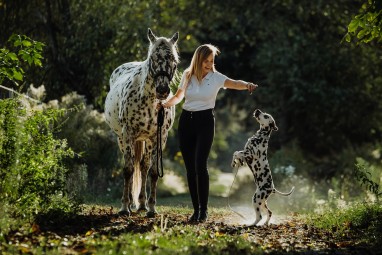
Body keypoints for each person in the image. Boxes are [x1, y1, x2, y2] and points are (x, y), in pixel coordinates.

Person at [159, 44, 258, 222]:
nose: (210, 64)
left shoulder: (217, 78)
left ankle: (204, 211)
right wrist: (165, 104)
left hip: (205, 122)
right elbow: (179, 96)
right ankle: (195, 210)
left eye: (212, 61)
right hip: (186, 122)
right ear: (198, 59)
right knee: (190, 169)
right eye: (206, 61)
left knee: (200, 165)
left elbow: (235, 83)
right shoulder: (187, 75)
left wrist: (247, 85)